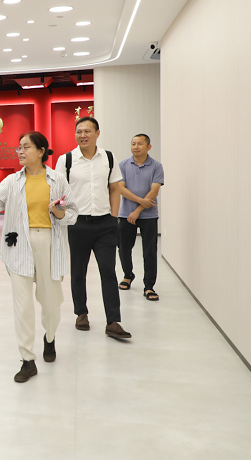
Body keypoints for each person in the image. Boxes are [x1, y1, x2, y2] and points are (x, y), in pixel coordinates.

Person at [0, 132, 77, 383]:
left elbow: (72, 213)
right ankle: (27, 359)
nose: (20, 152)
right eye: (19, 148)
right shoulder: (12, 181)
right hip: (19, 247)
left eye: (26, 147)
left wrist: (60, 213)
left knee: (51, 304)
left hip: (49, 244)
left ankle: (50, 337)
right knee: (22, 306)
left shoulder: (57, 180)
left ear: (41, 151)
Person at [55, 117, 131, 339]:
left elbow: (115, 189)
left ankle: (113, 321)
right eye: (79, 131)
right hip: (77, 223)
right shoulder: (66, 160)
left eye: (87, 131)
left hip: (105, 224)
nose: (83, 135)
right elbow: (57, 194)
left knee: (108, 271)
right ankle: (81, 313)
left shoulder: (108, 157)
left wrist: (114, 218)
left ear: (97, 133)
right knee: (78, 271)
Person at [117, 133, 164, 301]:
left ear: (148, 147)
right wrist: (140, 202)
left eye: (139, 144)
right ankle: (128, 275)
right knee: (123, 247)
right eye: (133, 144)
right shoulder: (122, 165)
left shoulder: (156, 166)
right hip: (125, 214)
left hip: (149, 216)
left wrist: (137, 210)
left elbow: (154, 191)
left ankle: (149, 286)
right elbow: (121, 188)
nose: (136, 147)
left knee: (149, 251)